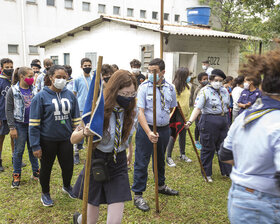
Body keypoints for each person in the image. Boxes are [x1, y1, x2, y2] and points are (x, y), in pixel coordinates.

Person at [219, 49, 280, 223]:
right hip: (265, 204)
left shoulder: (247, 116)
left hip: (239, 198)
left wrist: (251, 167)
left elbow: (225, 154)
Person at [72, 70, 137, 224]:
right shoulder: (97, 110)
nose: (129, 98)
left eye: (132, 94)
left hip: (118, 162)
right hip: (97, 162)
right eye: (125, 93)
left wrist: (130, 152)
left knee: (115, 220)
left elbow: (128, 135)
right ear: (115, 91)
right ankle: (79, 220)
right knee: (90, 220)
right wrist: (85, 132)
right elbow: (73, 139)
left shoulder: (130, 110)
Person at [29, 65, 81, 206]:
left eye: (64, 77)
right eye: (58, 77)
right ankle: (45, 193)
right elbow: (34, 124)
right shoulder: (40, 97)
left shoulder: (70, 95)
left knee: (68, 166)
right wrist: (35, 145)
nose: (61, 80)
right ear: (50, 77)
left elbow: (76, 118)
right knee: (46, 168)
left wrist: (78, 133)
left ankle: (67, 186)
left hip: (66, 139)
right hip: (47, 140)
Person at [132, 58, 179, 212]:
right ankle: (138, 194)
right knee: (142, 160)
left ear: (163, 72)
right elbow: (140, 112)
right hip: (147, 128)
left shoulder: (170, 88)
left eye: (154, 71)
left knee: (159, 159)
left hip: (164, 129)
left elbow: (173, 107)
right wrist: (149, 132)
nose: (150, 74)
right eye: (149, 70)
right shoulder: (144, 87)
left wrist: (164, 122)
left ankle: (161, 185)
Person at [185, 69, 232, 182]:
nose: (218, 83)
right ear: (211, 80)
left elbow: (227, 107)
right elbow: (197, 109)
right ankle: (207, 173)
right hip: (209, 120)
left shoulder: (224, 91)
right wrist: (190, 121)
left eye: (221, 81)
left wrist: (228, 123)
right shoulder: (204, 91)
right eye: (216, 80)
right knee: (208, 148)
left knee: (223, 147)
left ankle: (226, 171)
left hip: (223, 120)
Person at [6, 67, 39, 188]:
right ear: (21, 76)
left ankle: (36, 172)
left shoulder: (35, 90)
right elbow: (9, 109)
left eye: (33, 76)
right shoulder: (13, 90)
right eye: (30, 76)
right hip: (19, 125)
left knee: (33, 149)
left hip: (33, 125)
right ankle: (16, 174)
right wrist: (12, 127)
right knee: (18, 151)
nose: (32, 78)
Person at [166, 67, 192, 167]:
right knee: (173, 135)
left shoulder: (187, 86)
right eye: (188, 75)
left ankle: (183, 154)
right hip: (176, 115)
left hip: (185, 114)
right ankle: (168, 157)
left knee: (183, 134)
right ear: (182, 76)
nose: (189, 77)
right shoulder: (174, 87)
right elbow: (172, 102)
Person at [73, 58, 93, 164]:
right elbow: (74, 94)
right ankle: (75, 153)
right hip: (81, 109)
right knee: (79, 129)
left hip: (91, 109)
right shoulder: (77, 79)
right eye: (85, 66)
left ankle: (90, 153)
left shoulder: (94, 78)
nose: (87, 67)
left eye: (89, 65)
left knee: (90, 130)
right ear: (81, 67)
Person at [0, 58, 14, 172]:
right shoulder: (0, 81)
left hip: (14, 115)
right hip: (2, 115)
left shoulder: (14, 80)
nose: (9, 69)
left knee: (14, 137)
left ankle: (15, 158)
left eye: (11, 67)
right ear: (1, 68)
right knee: (1, 138)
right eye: (7, 67)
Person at [193, 72, 208, 150]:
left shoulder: (208, 88)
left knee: (204, 127)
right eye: (204, 79)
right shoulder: (198, 89)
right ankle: (196, 141)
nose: (206, 80)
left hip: (205, 112)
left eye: (207, 79)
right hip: (198, 112)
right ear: (199, 81)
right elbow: (196, 103)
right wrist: (198, 114)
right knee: (198, 127)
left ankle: (203, 141)